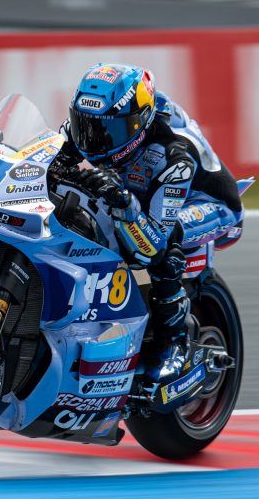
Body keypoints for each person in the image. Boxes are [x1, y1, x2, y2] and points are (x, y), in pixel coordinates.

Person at [50, 63, 244, 384]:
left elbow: (152, 245)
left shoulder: (172, 154)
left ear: (139, 123)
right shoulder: (87, 125)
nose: (95, 140)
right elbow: (47, 164)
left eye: (108, 131)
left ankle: (174, 346)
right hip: (142, 190)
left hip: (204, 203)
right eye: (86, 126)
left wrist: (124, 204)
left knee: (165, 253)